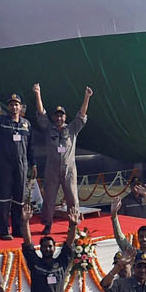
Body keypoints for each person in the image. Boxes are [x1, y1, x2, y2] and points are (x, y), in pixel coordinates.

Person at [32, 83, 93, 229]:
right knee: (49, 198)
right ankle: (47, 223)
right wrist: (37, 93)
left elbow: (81, 115)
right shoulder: (48, 128)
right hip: (51, 169)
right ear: (54, 117)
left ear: (65, 117)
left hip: (69, 169)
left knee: (72, 197)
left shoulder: (72, 129)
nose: (59, 118)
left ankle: (73, 222)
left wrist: (87, 97)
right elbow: (41, 114)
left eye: (61, 115)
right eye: (57, 115)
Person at [0, 82, 34, 239]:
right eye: (12, 105)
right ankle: (4, 230)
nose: (14, 107)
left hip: (21, 165)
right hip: (5, 164)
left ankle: (18, 229)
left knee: (19, 198)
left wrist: (33, 164)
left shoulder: (26, 125)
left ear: (21, 107)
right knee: (3, 197)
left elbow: (30, 147)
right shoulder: (2, 122)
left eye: (17, 105)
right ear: (8, 107)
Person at [22, 217, 77, 292]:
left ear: (54, 248)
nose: (47, 249)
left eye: (50, 246)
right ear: (40, 249)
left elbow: (69, 243)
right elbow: (27, 243)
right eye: (45, 247)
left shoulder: (61, 263)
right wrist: (26, 222)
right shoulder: (35, 264)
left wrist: (73, 224)